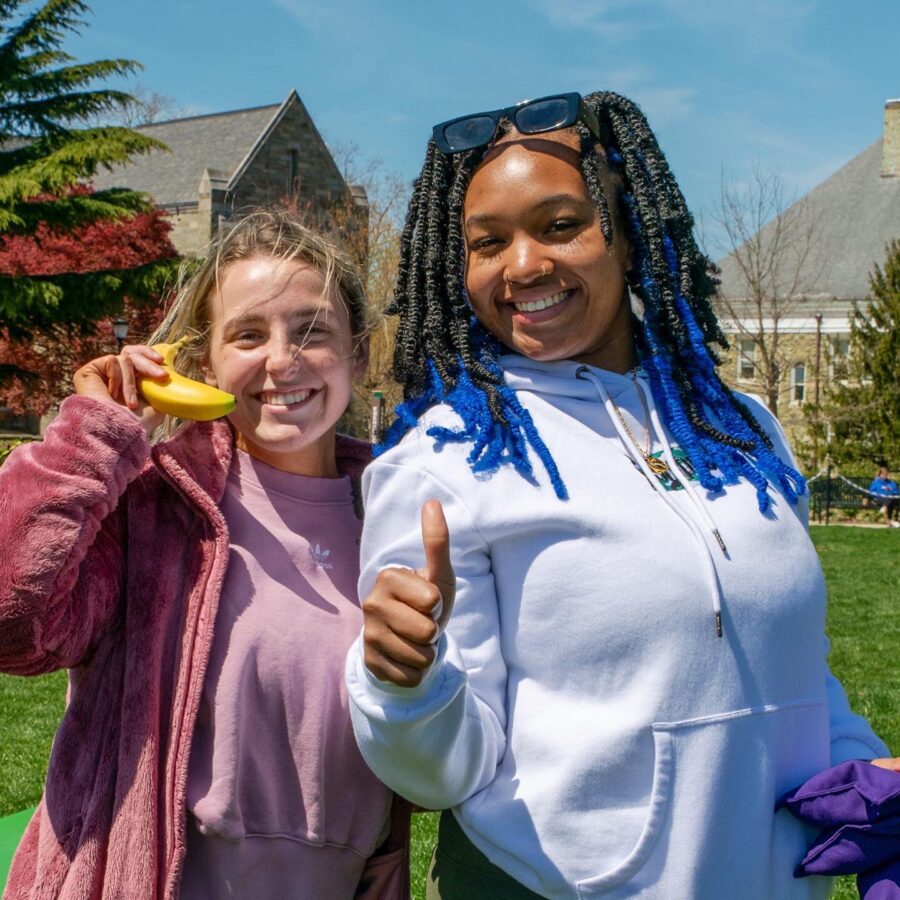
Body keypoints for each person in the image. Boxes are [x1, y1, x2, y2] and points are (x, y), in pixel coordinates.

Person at [344, 91, 897, 899]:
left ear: (630, 236)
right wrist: (405, 686)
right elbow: (444, 774)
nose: (524, 264)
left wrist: (863, 761)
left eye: (561, 225)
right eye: (488, 243)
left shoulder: (743, 431)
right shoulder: (445, 461)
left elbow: (792, 672)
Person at [0, 211, 409, 899]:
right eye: (249, 334)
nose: (284, 360)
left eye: (313, 331)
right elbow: (11, 621)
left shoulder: (397, 513)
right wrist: (93, 435)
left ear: (359, 354)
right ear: (204, 364)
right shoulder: (153, 506)